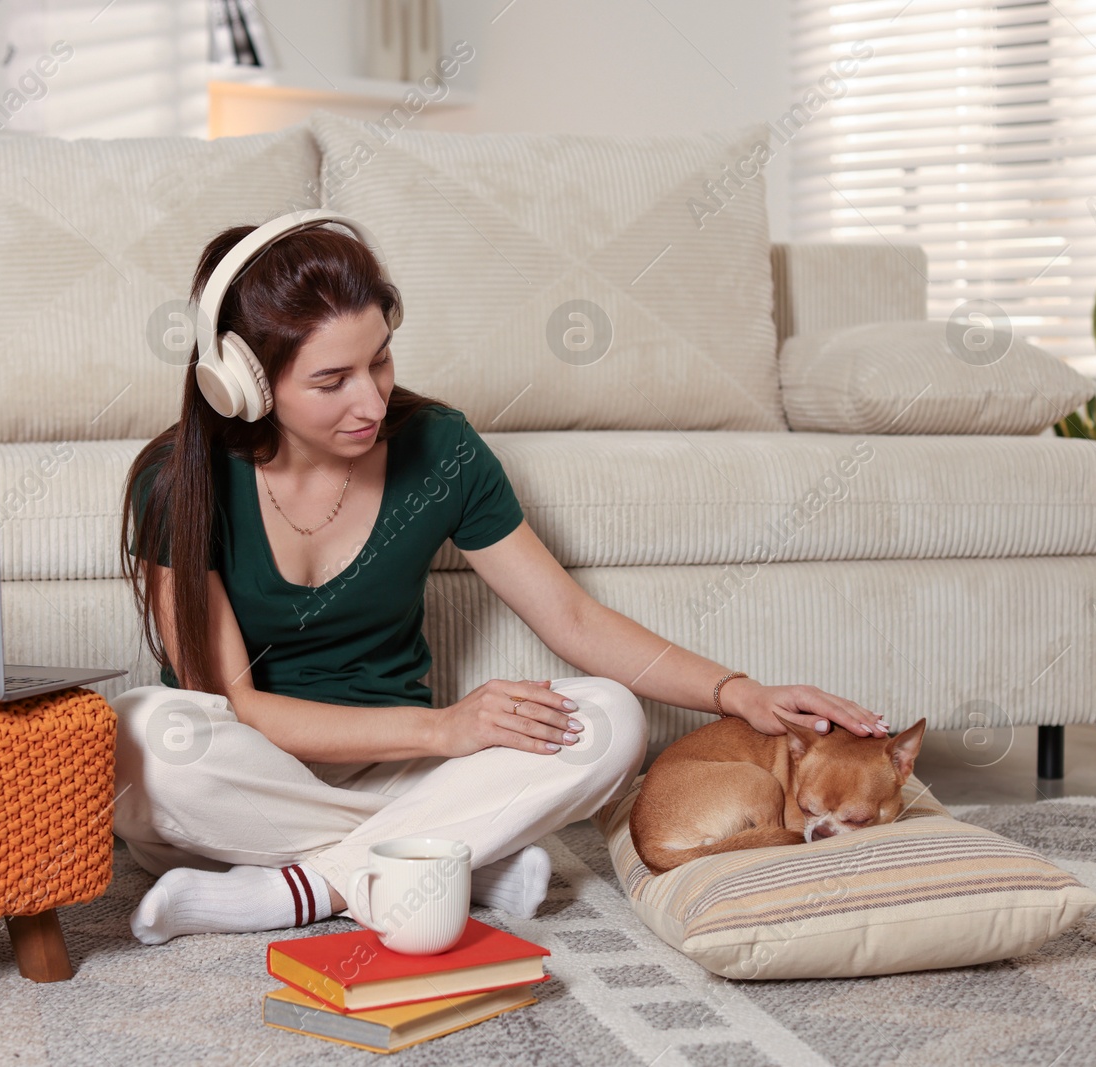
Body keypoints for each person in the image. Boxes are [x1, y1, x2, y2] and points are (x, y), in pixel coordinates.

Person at [114, 213, 889, 945]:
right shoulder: (177, 484)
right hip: (255, 775)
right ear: (244, 384)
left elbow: (574, 622)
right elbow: (236, 705)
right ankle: (452, 854)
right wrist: (444, 728)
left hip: (398, 775)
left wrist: (739, 692)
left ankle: (303, 888)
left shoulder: (439, 448)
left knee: (609, 719)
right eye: (332, 380)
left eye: (380, 358)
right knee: (147, 737)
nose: (372, 398)